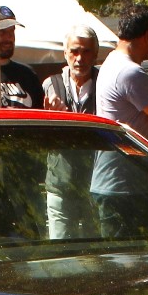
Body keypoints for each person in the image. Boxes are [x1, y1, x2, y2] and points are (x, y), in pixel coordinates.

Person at [90, 3, 148, 236]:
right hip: (125, 186)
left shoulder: (111, 62)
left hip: (116, 183)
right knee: (131, 264)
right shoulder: (130, 72)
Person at [43, 25, 101, 238]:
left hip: (94, 184)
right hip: (61, 184)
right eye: (75, 51)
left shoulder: (104, 84)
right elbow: (42, 139)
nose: (80, 58)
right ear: (65, 54)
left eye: (86, 52)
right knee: (60, 252)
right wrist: (49, 119)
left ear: (95, 55)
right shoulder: (51, 85)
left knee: (94, 252)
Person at [0, 6, 44, 108]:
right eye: (2, 32)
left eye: (12, 31)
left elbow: (40, 112)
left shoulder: (28, 74)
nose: (9, 37)